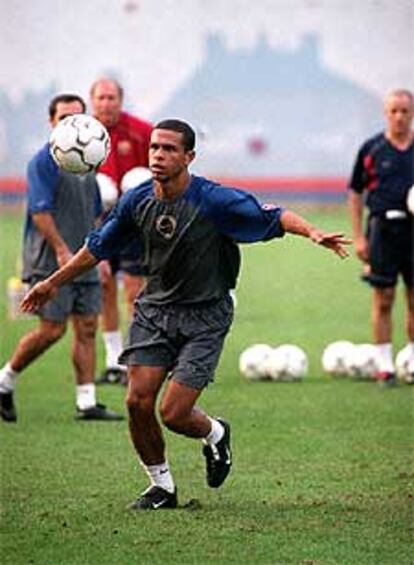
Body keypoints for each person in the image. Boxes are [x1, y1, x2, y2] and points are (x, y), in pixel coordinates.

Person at [20, 119, 350, 509]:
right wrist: (52, 283)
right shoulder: (137, 201)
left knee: (173, 413)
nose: (159, 155)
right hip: (154, 310)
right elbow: (96, 248)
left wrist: (312, 232)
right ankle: (162, 487)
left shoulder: (214, 200)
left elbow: (275, 215)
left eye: (169, 150)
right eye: (155, 148)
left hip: (206, 315)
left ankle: (214, 433)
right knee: (136, 403)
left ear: (189, 156)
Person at [0, 94, 123, 423]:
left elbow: (96, 215)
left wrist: (103, 256)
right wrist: (60, 249)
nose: (73, 124)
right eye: (65, 117)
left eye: (78, 117)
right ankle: (4, 381)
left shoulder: (88, 160)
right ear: (51, 122)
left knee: (86, 327)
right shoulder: (44, 160)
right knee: (52, 330)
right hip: (50, 261)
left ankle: (87, 402)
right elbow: (40, 212)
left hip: (84, 259)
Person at [348, 89, 414, 386]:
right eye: (394, 111)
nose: (399, 116)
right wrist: (359, 237)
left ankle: (411, 360)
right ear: (386, 113)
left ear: (412, 113)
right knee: (383, 297)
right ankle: (385, 366)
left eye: (405, 111)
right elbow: (355, 192)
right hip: (383, 232)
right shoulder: (372, 149)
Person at [90, 78, 153, 385]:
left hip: (133, 223)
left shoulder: (142, 131)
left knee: (134, 290)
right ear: (92, 100)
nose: (106, 103)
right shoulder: (82, 135)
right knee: (103, 287)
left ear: (121, 100)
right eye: (101, 97)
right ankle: (114, 361)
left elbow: (160, 170)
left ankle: (136, 360)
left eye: (111, 97)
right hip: (98, 222)